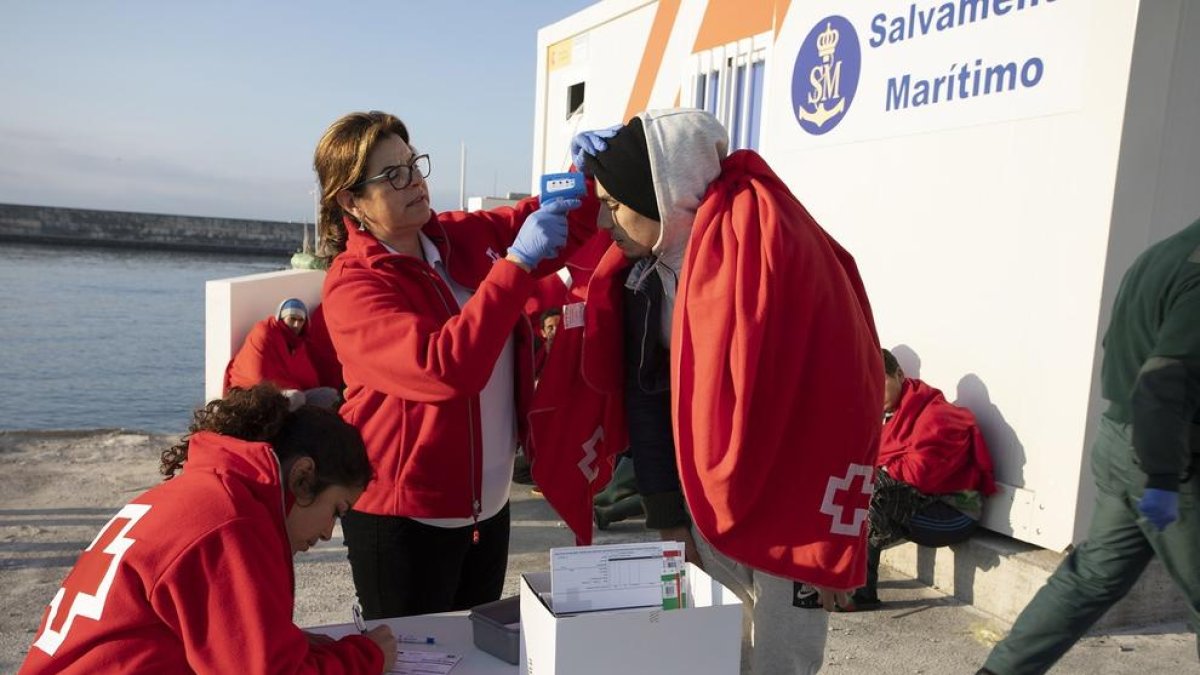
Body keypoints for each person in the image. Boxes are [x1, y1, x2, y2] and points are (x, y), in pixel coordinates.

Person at [568, 109, 883, 674]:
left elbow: (844, 389)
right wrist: (668, 517)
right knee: (712, 651)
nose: (602, 224)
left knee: (784, 661)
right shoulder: (645, 275)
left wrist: (838, 547)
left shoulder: (777, 251)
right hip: (707, 493)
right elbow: (650, 400)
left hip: (794, 502)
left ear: (661, 195)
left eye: (614, 204)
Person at [312, 110, 597, 619]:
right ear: (350, 201)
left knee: (476, 657)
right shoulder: (354, 286)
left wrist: (590, 174)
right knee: (410, 661)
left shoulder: (462, 237)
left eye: (414, 165)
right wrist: (515, 268)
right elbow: (444, 368)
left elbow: (556, 221)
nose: (415, 182)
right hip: (402, 520)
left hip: (487, 508)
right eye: (393, 175)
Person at [19, 383, 396, 674]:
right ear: (303, 477)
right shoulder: (232, 523)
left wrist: (291, 642)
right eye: (337, 510)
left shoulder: (204, 496)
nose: (330, 532)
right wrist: (367, 658)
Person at [978, 219, 1200, 674]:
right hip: (1167, 457)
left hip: (1120, 439)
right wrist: (1161, 476)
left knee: (1090, 579)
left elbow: (1115, 344)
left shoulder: (1160, 254)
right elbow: (1164, 382)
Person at [842, 348, 996, 610]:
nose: (875, 395)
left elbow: (918, 473)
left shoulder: (936, 416)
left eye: (881, 383)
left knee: (871, 488)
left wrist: (879, 467)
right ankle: (840, 577)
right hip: (919, 502)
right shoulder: (891, 413)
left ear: (899, 374)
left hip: (952, 513)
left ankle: (861, 593)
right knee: (847, 481)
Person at [225, 297, 342, 409]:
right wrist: (293, 387)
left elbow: (309, 378)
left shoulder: (298, 342)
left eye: (300, 320)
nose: (296, 325)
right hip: (253, 394)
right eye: (292, 319)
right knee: (296, 397)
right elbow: (257, 378)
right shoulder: (264, 332)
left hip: (291, 394)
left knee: (330, 395)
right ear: (281, 318)